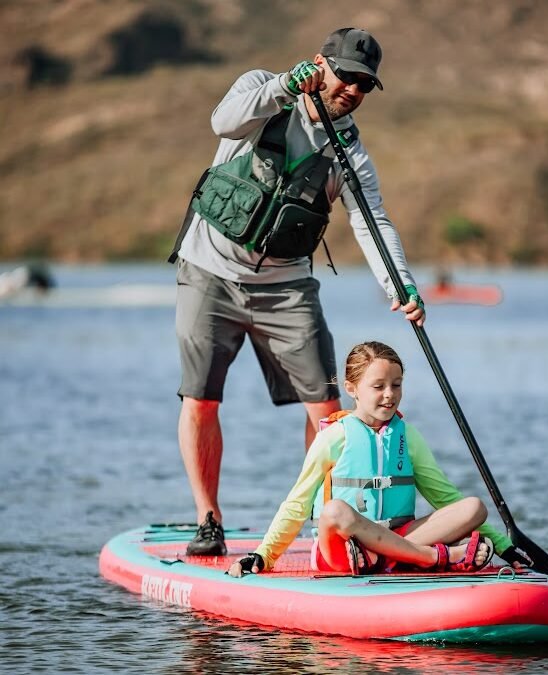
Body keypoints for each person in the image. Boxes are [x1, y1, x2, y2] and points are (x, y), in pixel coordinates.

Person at [170, 28, 426, 556]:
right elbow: (222, 121)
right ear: (319, 66)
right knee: (201, 399)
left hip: (285, 286)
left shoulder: (349, 153)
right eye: (346, 76)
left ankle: (321, 524)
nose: (352, 90)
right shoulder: (263, 91)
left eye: (365, 85)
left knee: (328, 408)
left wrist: (400, 285)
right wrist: (286, 86)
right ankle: (208, 519)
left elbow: (371, 222)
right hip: (209, 272)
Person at [228, 341, 531, 578]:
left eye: (396, 385)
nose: (389, 394)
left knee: (472, 508)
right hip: (344, 550)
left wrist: (504, 547)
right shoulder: (334, 437)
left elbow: (444, 498)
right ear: (352, 389)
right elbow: (297, 503)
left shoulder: (408, 436)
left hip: (398, 537)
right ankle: (433, 557)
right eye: (378, 386)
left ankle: (387, 559)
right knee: (334, 512)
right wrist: (264, 555)